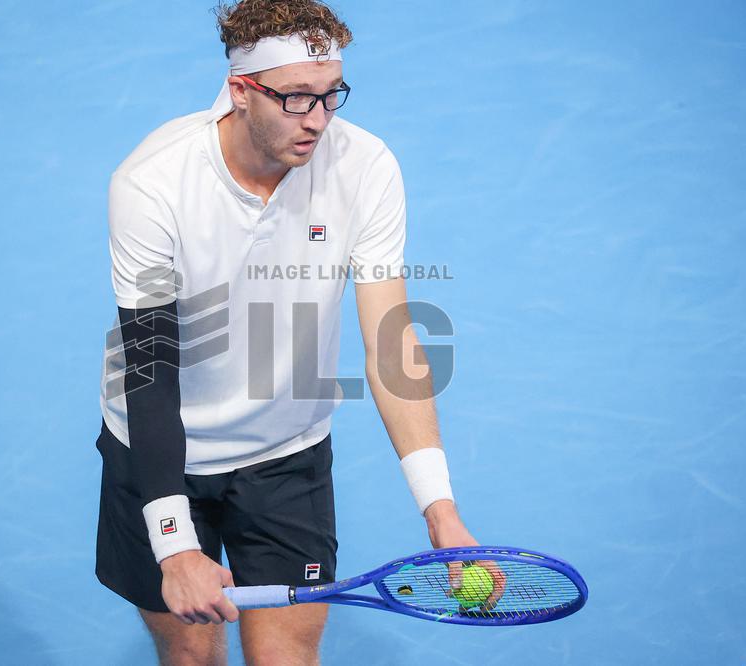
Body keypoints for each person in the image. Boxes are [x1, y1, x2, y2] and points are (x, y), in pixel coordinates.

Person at [95, 1, 484, 663]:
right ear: (242, 92)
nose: (320, 121)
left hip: (287, 455)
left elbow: (393, 344)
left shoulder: (365, 167)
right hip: (159, 454)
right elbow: (150, 369)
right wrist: (174, 541)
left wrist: (439, 509)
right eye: (297, 98)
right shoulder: (153, 185)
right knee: (191, 657)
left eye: (332, 94)